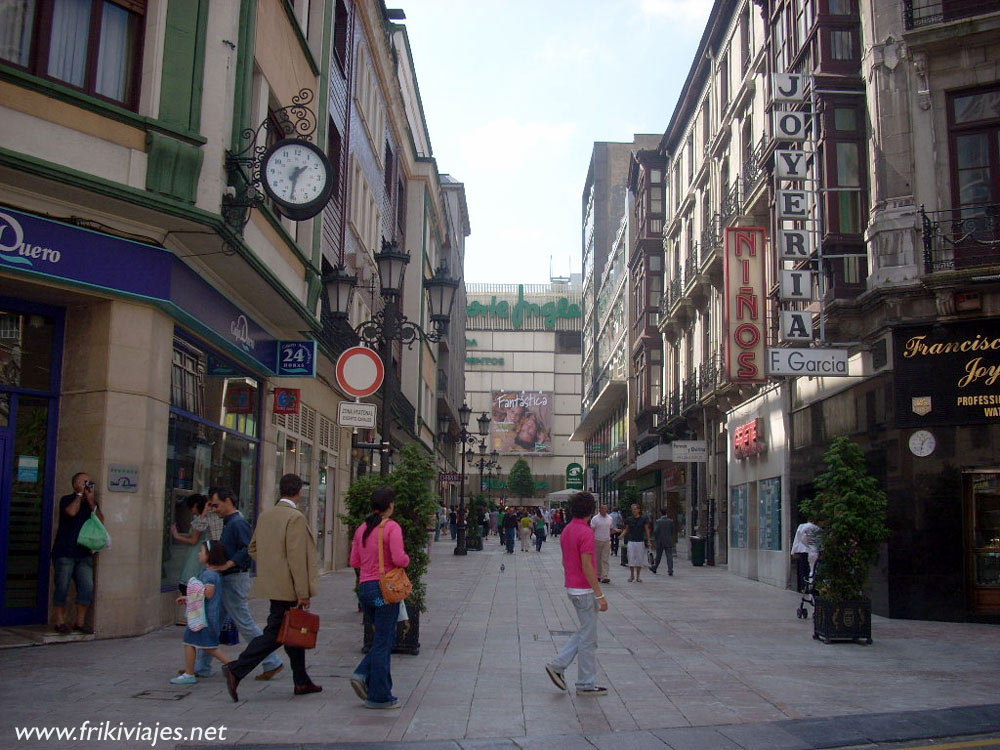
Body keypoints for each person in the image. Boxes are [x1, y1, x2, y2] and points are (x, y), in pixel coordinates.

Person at [222, 475, 320, 701]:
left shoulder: (266, 515)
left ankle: (301, 680)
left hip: (274, 584)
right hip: (289, 586)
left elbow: (253, 548)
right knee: (276, 633)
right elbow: (296, 558)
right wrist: (303, 592)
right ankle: (236, 669)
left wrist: (272, 567)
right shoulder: (295, 517)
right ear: (299, 492)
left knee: (292, 628)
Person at [195, 488, 283, 680]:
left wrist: (228, 564)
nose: (214, 509)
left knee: (244, 622)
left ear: (228, 501)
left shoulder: (237, 523)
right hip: (228, 578)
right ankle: (201, 666)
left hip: (234, 579)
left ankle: (272, 660)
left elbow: (247, 549)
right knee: (213, 622)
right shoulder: (231, 523)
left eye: (216, 505)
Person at [348, 486, 411, 709]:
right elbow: (399, 558)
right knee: (384, 640)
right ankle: (378, 695)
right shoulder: (391, 527)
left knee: (383, 637)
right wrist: (406, 560)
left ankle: (367, 677)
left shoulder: (362, 528)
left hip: (367, 591)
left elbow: (354, 561)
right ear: (389, 505)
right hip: (384, 592)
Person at [544, 491, 608, 697]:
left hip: (572, 586)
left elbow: (566, 561)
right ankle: (584, 683)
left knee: (586, 632)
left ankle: (559, 665)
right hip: (584, 590)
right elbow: (587, 565)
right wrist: (600, 594)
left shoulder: (568, 530)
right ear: (591, 510)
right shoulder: (586, 532)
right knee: (589, 639)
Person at [171, 540, 231, 685]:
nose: (199, 554)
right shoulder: (211, 573)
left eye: (202, 551)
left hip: (203, 617)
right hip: (204, 616)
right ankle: (233, 666)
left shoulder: (209, 575)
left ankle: (190, 674)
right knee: (204, 645)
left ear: (210, 555)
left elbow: (208, 593)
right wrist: (188, 598)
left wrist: (192, 591)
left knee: (196, 643)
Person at [51, 472, 104, 634]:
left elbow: (101, 521)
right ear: (75, 484)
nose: (88, 485)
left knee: (87, 588)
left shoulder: (91, 503)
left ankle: (79, 623)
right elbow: (71, 512)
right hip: (65, 551)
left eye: (89, 482)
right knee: (62, 587)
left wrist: (91, 501)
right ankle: (59, 621)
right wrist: (80, 495)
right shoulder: (67, 499)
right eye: (84, 482)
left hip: (84, 553)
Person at [172, 494, 210, 595]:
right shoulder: (199, 519)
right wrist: (178, 534)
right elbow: (192, 535)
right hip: (194, 553)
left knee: (189, 583)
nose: (191, 510)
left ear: (196, 505)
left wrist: (177, 536)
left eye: (191, 507)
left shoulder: (202, 520)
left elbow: (194, 539)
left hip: (196, 555)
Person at [622, 503, 652, 583]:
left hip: (640, 541)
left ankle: (638, 576)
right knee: (631, 558)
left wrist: (649, 541)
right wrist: (622, 535)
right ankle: (632, 575)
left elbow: (647, 530)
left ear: (639, 510)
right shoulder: (629, 519)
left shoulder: (643, 519)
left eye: (635, 509)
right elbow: (627, 529)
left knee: (639, 559)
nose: (634, 511)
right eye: (632, 509)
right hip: (631, 541)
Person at [791, 518, 822, 592]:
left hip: (803, 550)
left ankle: (804, 586)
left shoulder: (802, 527)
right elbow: (820, 541)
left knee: (803, 569)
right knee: (812, 569)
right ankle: (811, 586)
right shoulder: (818, 529)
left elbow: (798, 539)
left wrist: (794, 551)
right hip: (813, 551)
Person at [589, 504, 615, 584]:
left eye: (605, 508)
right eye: (602, 508)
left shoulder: (610, 518)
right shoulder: (595, 519)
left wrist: (615, 531)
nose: (604, 510)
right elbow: (592, 530)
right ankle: (598, 575)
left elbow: (611, 529)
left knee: (605, 559)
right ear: (599, 509)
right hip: (597, 540)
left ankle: (604, 576)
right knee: (597, 558)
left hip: (606, 540)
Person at [650, 509, 676, 576]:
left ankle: (655, 568)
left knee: (658, 556)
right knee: (669, 556)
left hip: (660, 541)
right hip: (668, 540)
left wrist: (655, 539)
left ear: (660, 513)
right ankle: (670, 570)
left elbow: (655, 531)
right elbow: (672, 531)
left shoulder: (658, 521)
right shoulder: (670, 521)